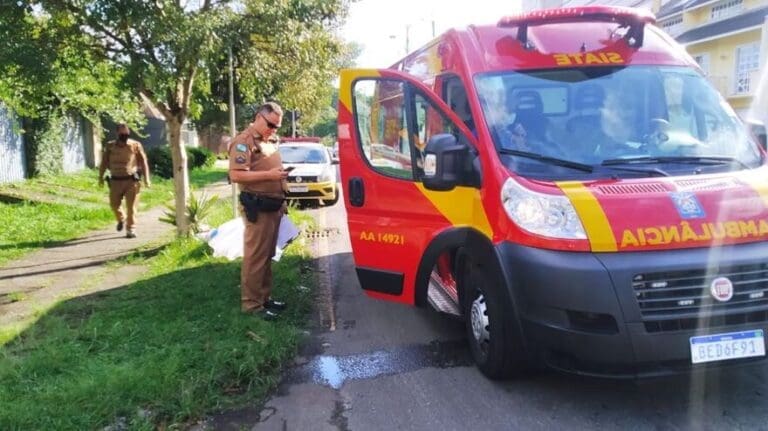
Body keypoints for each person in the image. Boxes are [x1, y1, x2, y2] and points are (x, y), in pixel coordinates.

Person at [228, 102, 290, 320]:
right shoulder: (244, 142)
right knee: (256, 258)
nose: (273, 130)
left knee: (267, 256)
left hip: (274, 207)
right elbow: (236, 175)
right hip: (258, 208)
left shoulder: (270, 141)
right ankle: (251, 305)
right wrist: (270, 176)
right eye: (270, 124)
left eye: (277, 127)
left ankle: (264, 298)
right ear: (258, 117)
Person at [98, 123, 151, 239]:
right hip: (115, 181)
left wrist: (147, 179)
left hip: (131, 181)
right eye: (122, 133)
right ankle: (121, 218)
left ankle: (131, 229)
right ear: (117, 133)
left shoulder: (135, 145)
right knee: (114, 205)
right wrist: (100, 177)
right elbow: (104, 162)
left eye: (126, 133)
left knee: (131, 207)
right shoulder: (110, 146)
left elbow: (143, 162)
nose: (124, 135)